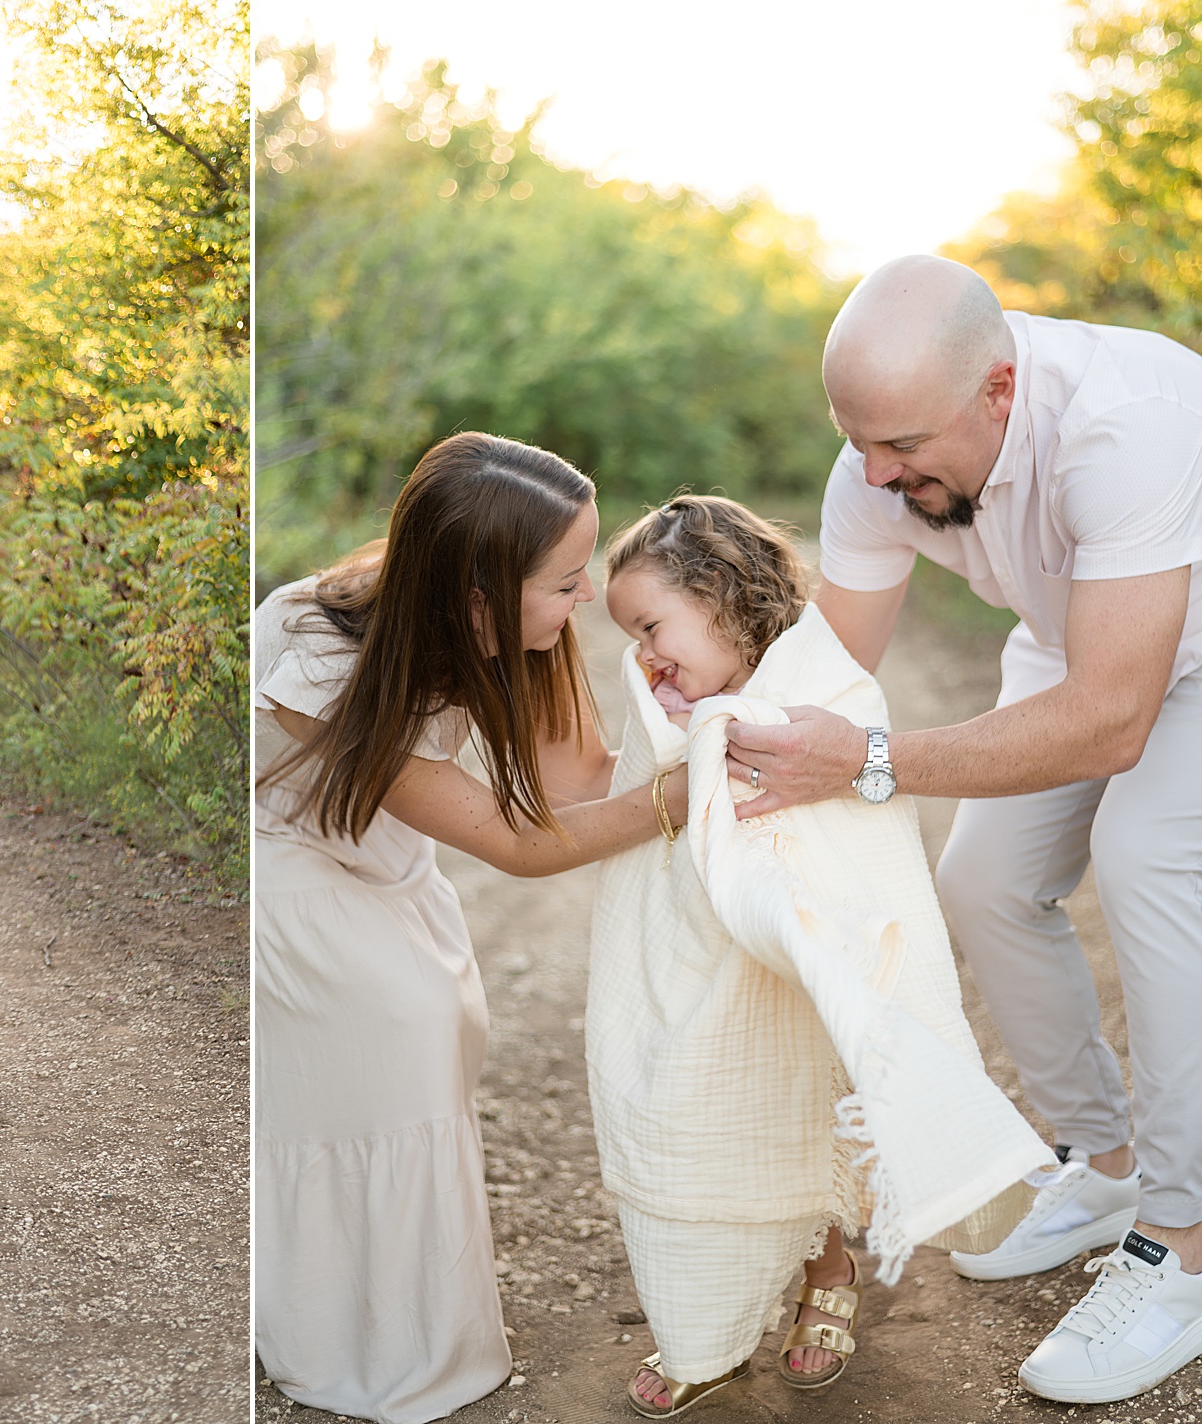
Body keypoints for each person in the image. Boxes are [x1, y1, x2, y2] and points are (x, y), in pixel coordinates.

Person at [727, 253, 1202, 1405]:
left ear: (997, 389)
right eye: (858, 443)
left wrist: (872, 765)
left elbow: (1112, 718)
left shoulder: (1124, 422)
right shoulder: (875, 462)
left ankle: (1185, 1243)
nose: (877, 474)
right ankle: (1101, 1164)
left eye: (901, 447)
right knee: (983, 876)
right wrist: (716, 726)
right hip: (1076, 634)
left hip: (1170, 654)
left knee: (1144, 859)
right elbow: (833, 673)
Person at [254, 431, 693, 1424]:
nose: (584, 599)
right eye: (565, 581)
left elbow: (578, 780)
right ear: (477, 593)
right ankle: (359, 1336)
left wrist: (678, 709)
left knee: (445, 1029)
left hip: (382, 867)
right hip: (294, 880)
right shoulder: (322, 660)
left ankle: (389, 1302)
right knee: (402, 1031)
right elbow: (523, 844)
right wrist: (688, 792)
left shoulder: (512, 629)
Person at [596, 496, 1049, 1417]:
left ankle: (827, 1273)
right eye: (632, 637)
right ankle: (706, 1327)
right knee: (708, 1109)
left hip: (813, 953)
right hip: (709, 955)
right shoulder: (670, 695)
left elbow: (862, 832)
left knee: (808, 1109)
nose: (643, 656)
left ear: (719, 594)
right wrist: (691, 724)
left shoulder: (831, 689)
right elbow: (654, 792)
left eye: (651, 626)